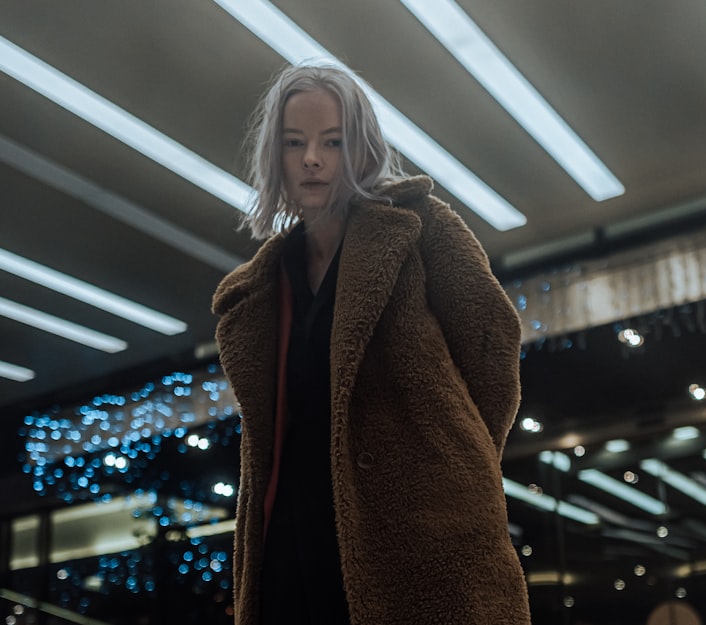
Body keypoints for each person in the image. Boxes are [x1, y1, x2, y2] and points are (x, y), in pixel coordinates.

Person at [212, 63, 531, 625]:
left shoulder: (421, 226)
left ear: (359, 149)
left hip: (417, 534)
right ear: (275, 156)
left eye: (331, 141)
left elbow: (492, 347)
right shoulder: (262, 284)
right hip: (290, 539)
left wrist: (449, 466)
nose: (312, 158)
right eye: (295, 142)